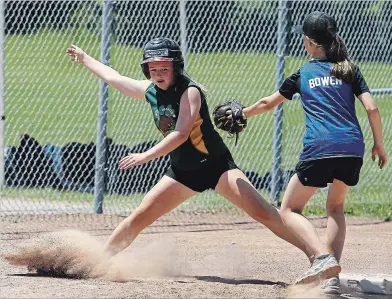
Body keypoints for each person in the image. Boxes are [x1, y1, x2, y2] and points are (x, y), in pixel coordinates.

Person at [65, 37, 314, 267]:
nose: (158, 74)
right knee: (139, 217)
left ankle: (317, 256)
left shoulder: (189, 91)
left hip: (217, 167)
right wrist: (86, 58)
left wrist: (145, 156)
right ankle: (97, 263)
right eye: (153, 69)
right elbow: (113, 77)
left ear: (176, 67)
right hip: (183, 173)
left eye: (164, 68)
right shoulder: (150, 90)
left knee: (264, 212)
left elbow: (181, 133)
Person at [240, 11, 388, 293]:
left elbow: (267, 103)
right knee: (335, 207)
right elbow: (372, 108)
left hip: (320, 147)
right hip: (352, 147)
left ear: (308, 42)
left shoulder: (303, 73)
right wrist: (379, 145)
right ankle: (329, 279)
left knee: (289, 209)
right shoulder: (350, 70)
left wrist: (242, 113)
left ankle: (322, 258)